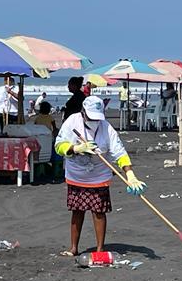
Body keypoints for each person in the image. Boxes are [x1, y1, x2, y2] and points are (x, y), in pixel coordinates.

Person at [55, 95, 146, 256]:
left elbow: (119, 152)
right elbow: (59, 145)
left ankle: (100, 249)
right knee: (77, 210)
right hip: (76, 174)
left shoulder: (106, 127)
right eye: (90, 117)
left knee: (99, 212)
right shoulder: (72, 121)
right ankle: (73, 248)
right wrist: (76, 148)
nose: (94, 120)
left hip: (99, 175)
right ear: (83, 112)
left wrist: (130, 174)